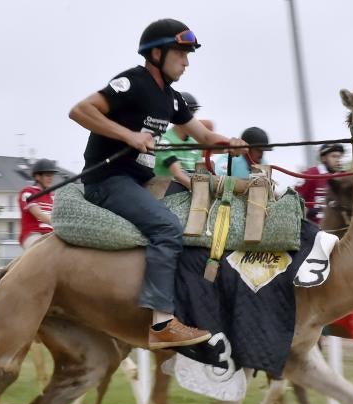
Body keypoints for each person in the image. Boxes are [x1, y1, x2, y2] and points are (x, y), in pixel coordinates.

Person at [69, 18, 245, 349]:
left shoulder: (172, 99)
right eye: (181, 54)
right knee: (166, 228)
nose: (187, 62)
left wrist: (229, 142)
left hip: (142, 181)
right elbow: (80, 111)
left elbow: (204, 136)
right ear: (157, 54)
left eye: (187, 55)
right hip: (108, 180)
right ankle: (162, 323)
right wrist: (129, 136)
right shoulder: (132, 82)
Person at [153, 92, 211, 191]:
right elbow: (177, 174)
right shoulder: (164, 141)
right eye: (189, 114)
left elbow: (200, 172)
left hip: (188, 190)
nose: (191, 118)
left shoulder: (194, 143)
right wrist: (201, 191)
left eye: (193, 114)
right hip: (166, 192)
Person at [295, 143, 346, 225]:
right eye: (334, 156)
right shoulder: (310, 174)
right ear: (323, 158)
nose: (338, 160)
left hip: (340, 227)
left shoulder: (343, 177)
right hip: (315, 227)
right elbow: (295, 202)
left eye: (339, 157)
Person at [18, 158, 59, 249]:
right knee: (43, 249)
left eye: (52, 176)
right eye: (47, 175)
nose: (51, 179)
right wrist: (59, 223)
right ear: (37, 176)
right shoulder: (28, 192)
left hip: (51, 235)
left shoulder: (53, 196)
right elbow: (39, 215)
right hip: (33, 234)